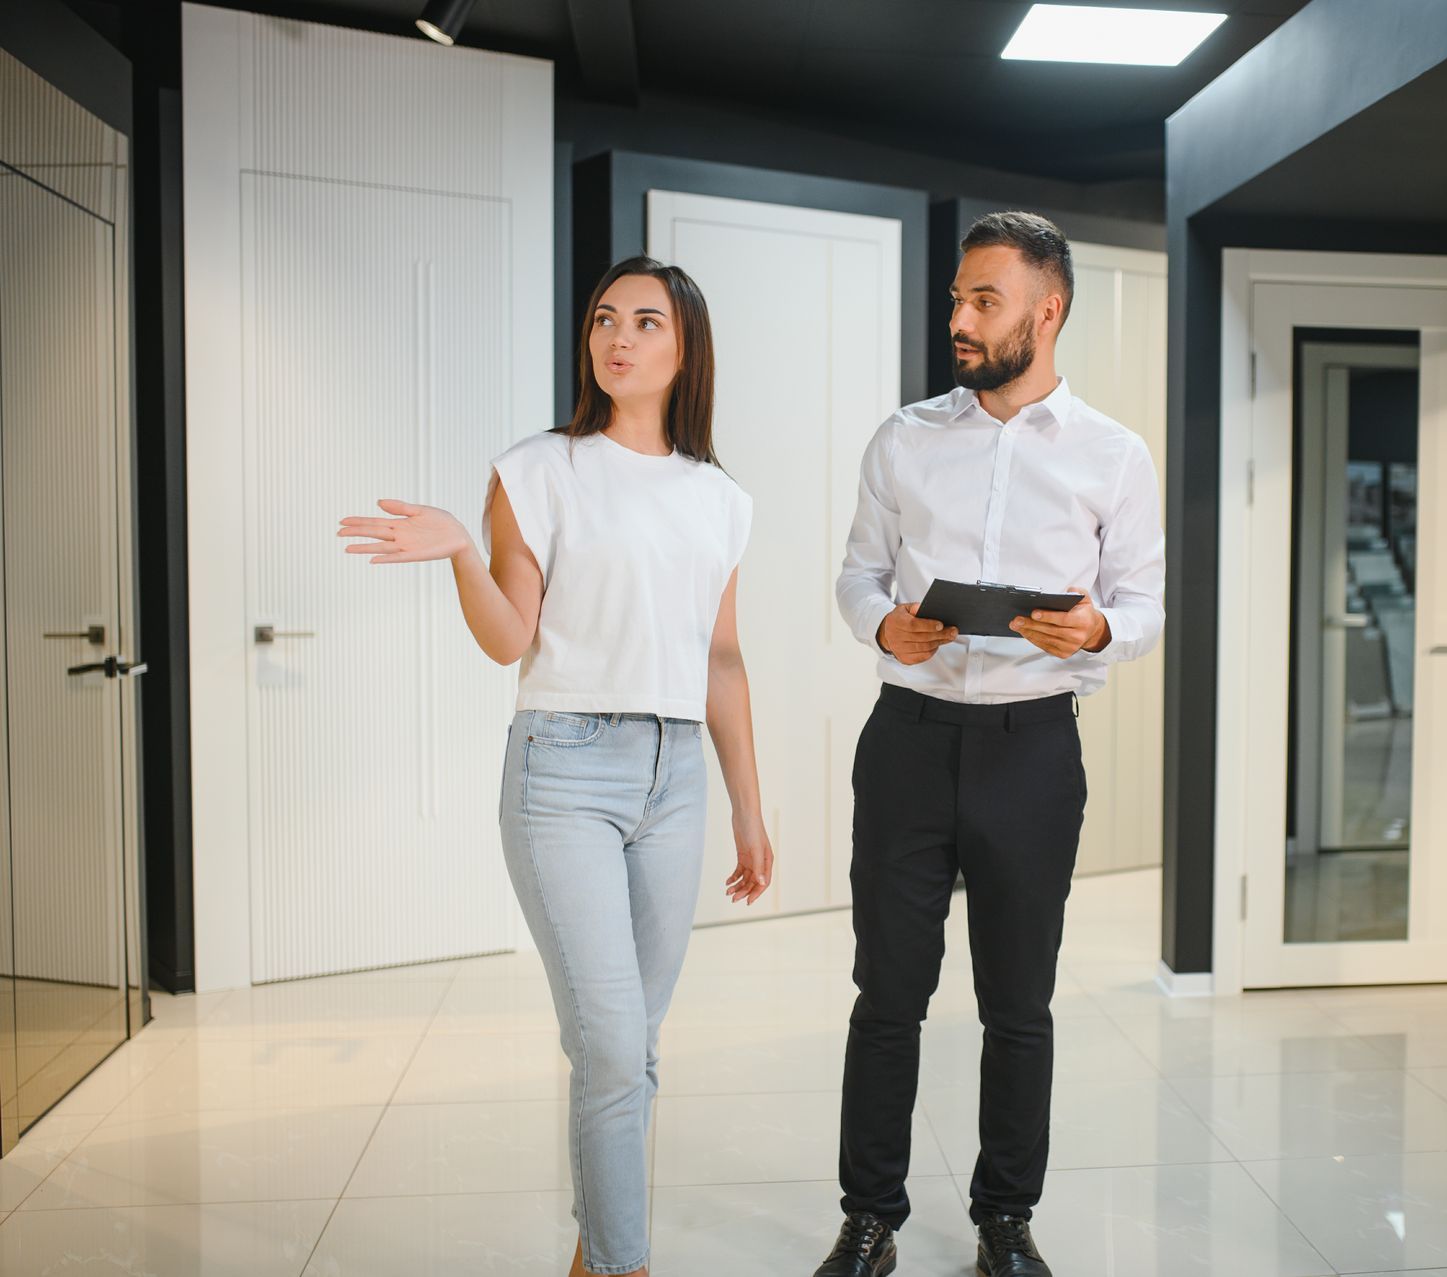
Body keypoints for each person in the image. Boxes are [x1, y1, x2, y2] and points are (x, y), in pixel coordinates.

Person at [338, 257, 774, 1277]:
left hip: (675, 779)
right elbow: (508, 638)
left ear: (685, 347)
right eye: (604, 318)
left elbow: (722, 659)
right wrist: (460, 553)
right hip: (565, 770)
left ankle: (594, 1249)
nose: (619, 336)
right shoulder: (536, 469)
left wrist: (751, 809)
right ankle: (625, 1264)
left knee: (629, 1045)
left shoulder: (722, 499)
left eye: (646, 320)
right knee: (616, 1043)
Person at [814, 212, 1166, 1277]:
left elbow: (1142, 600)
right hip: (909, 740)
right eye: (958, 298)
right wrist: (884, 623)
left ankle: (1004, 1219)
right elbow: (857, 571)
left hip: (1032, 749)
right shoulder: (905, 435)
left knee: (1018, 1004)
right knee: (889, 994)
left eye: (984, 301)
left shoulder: (1113, 453)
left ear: (1045, 311)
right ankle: (868, 1216)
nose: (959, 320)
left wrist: (1099, 627)